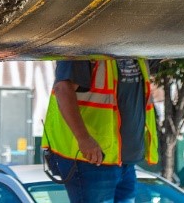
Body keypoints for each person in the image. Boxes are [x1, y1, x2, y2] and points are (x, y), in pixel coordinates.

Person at [42, 58, 158, 203]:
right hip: (91, 161)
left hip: (124, 161)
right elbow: (62, 89)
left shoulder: (136, 48)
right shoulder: (88, 42)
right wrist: (83, 139)